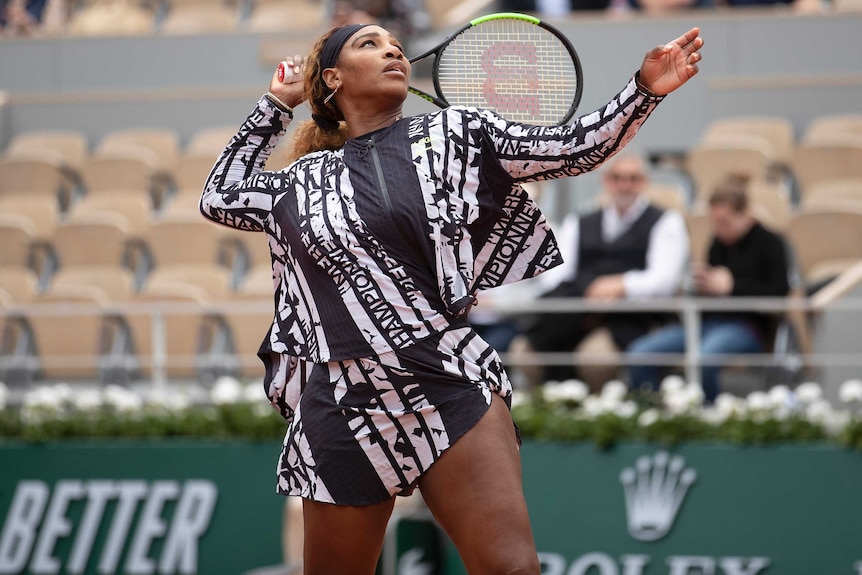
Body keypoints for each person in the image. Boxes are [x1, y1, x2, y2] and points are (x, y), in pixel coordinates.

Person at [199, 22, 703, 574]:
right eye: (369, 43)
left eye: (394, 42)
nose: (392, 48)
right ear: (332, 79)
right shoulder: (300, 181)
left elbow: (571, 149)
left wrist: (644, 90)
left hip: (446, 379)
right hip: (341, 400)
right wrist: (277, 104)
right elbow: (219, 195)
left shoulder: (454, 134)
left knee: (512, 570)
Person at [509, 153, 689, 389]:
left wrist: (621, 285)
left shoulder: (666, 221)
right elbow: (557, 274)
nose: (625, 185)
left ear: (645, 182)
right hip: (577, 313)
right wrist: (586, 292)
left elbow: (664, 279)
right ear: (606, 181)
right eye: (617, 178)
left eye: (633, 178)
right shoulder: (580, 222)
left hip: (632, 317)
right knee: (524, 353)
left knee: (595, 360)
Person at [627, 175, 790, 403]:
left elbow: (779, 292)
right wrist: (698, 285)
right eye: (715, 222)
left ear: (745, 214)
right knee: (639, 354)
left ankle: (709, 418)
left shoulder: (771, 242)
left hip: (746, 327)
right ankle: (654, 416)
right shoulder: (718, 243)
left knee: (702, 361)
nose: (719, 229)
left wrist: (732, 287)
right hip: (704, 323)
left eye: (725, 222)